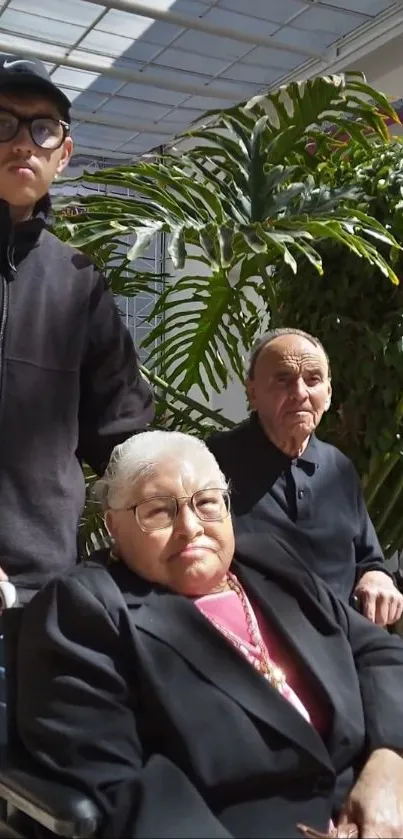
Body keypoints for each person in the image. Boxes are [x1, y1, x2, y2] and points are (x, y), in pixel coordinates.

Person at [17, 430, 403, 839]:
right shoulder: (86, 610)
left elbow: (377, 651)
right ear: (114, 525)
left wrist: (390, 760)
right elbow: (121, 786)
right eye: (158, 511)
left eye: (206, 503)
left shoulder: (272, 564)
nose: (190, 527)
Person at [0, 52, 154, 602]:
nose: (23, 143)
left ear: (62, 155)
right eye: (4, 124)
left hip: (38, 589)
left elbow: (121, 429)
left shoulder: (78, 281)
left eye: (42, 129)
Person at [207, 329, 403, 627]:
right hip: (256, 644)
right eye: (283, 379)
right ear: (253, 392)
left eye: (313, 380)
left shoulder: (339, 468)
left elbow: (368, 558)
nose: (300, 393)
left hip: (346, 635)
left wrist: (377, 578)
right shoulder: (212, 464)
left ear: (328, 394)